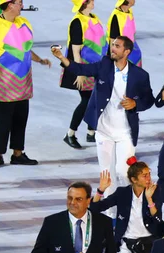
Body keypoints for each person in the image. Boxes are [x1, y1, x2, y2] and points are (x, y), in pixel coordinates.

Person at [51, 37, 155, 207]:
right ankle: (109, 214)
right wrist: (62, 58)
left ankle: (132, 208)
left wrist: (135, 104)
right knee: (107, 175)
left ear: (127, 52)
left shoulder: (140, 75)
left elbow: (149, 99)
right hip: (104, 131)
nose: (112, 49)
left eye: (117, 46)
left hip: (125, 133)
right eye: (112, 45)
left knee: (125, 172)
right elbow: (80, 68)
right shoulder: (104, 65)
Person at [0, 0, 51, 168]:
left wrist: (39, 60)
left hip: (22, 80)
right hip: (3, 81)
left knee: (20, 118)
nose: (22, 5)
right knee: (3, 119)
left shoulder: (23, 23)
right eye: (19, 2)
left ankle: (18, 154)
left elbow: (24, 48)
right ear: (9, 5)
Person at [60, 0, 107, 150]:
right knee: (86, 101)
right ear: (84, 3)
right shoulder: (77, 22)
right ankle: (70, 134)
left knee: (95, 99)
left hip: (96, 66)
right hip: (84, 67)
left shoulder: (93, 17)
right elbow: (76, 51)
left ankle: (91, 132)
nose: (93, 2)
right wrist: (80, 72)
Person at [106, 0, 142, 66]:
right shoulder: (116, 16)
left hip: (131, 49)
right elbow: (113, 39)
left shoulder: (129, 12)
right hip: (122, 53)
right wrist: (113, 58)